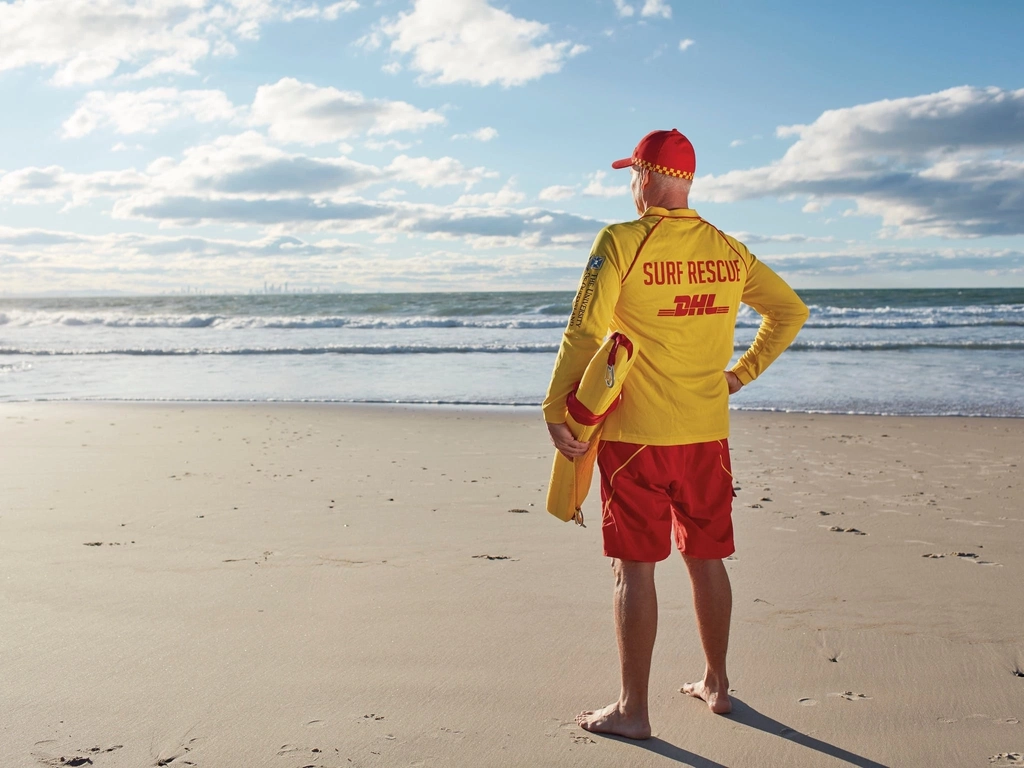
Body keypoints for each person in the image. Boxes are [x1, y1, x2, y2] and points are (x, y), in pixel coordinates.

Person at [542, 129, 809, 739]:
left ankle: (633, 711)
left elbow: (583, 333)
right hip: (707, 436)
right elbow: (790, 309)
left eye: (631, 176)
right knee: (707, 557)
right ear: (686, 181)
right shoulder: (729, 249)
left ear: (643, 175)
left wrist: (556, 407)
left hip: (635, 437)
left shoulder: (620, 240)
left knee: (634, 571)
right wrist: (740, 374)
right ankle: (716, 684)